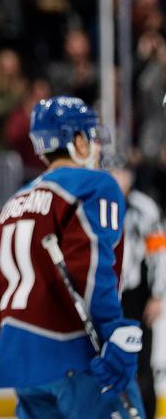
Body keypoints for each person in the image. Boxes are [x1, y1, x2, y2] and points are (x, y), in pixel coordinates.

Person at [0, 96, 146, 418]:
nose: (97, 146)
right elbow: (93, 266)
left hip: (21, 362)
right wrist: (113, 330)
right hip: (76, 353)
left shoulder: (15, 202)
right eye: (91, 136)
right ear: (76, 141)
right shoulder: (94, 185)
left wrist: (6, 348)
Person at [112, 164, 166, 419]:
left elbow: (160, 254)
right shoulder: (96, 206)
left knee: (142, 365)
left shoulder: (144, 208)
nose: (117, 179)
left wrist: (157, 294)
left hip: (137, 296)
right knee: (109, 364)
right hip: (107, 297)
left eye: (121, 173)